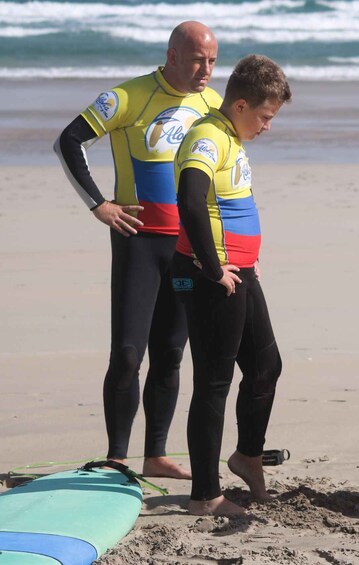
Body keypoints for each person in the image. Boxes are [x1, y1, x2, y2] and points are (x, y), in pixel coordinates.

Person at [53, 21, 221, 479]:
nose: (206, 70)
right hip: (139, 244)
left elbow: (222, 177)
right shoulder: (128, 97)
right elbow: (68, 140)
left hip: (186, 249)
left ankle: (157, 455)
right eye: (197, 60)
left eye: (212, 61)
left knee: (170, 351)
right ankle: (116, 457)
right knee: (128, 352)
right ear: (171, 55)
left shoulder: (213, 105)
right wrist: (99, 204)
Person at [171, 54, 291, 516]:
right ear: (240, 105)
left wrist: (244, 262)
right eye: (264, 116)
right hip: (212, 278)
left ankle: (247, 456)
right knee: (214, 382)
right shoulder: (207, 136)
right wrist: (211, 266)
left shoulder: (230, 136)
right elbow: (190, 200)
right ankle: (205, 495)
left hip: (240, 273)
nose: (267, 126)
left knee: (266, 366)